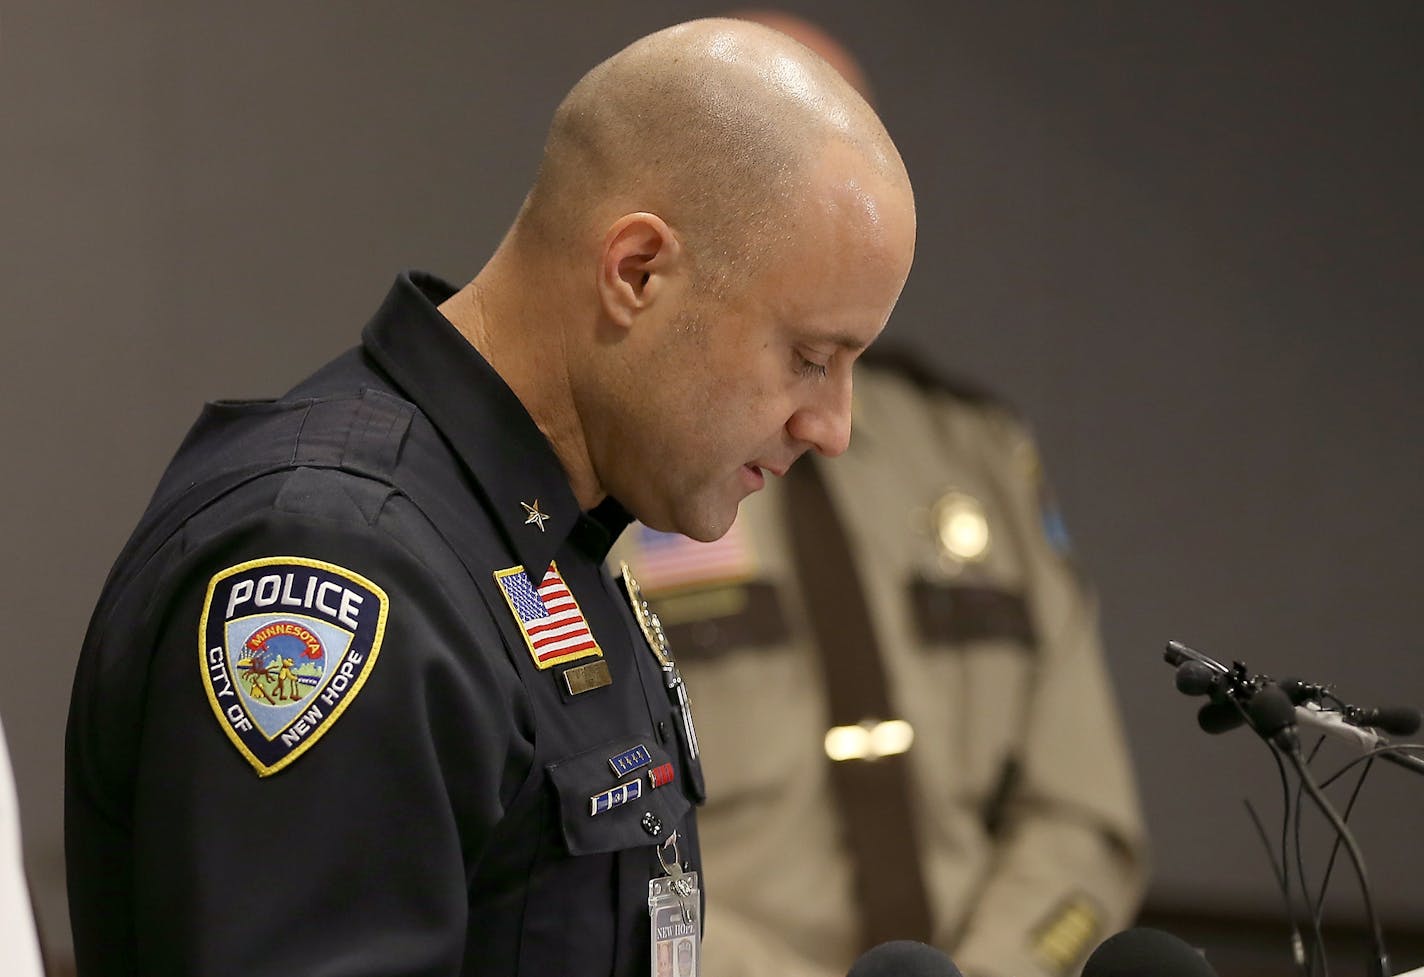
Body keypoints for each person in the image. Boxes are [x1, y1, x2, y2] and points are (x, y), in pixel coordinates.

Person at [64, 18, 915, 977]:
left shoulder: (547, 536)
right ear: (637, 272)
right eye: (809, 358)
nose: (832, 426)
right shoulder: (342, 561)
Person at [609, 13, 1147, 977]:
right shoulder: (622, 471)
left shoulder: (972, 449)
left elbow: (1084, 816)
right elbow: (590, 853)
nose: (828, 420)